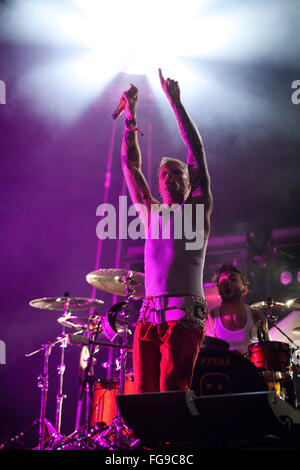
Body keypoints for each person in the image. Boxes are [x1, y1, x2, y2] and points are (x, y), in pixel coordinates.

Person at [120, 69, 213, 393]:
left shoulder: (196, 210)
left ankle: (174, 446)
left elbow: (197, 154)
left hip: (183, 314)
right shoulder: (151, 212)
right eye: (163, 174)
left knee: (172, 394)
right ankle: (148, 446)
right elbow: (131, 165)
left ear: (189, 183)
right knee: (143, 398)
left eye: (176, 173)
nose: (167, 178)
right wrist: (131, 118)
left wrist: (175, 103)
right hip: (149, 315)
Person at [205, 263, 269, 355]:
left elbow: (267, 354)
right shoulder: (210, 320)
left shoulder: (257, 317)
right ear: (219, 291)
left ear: (245, 289)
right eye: (223, 281)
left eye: (233, 279)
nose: (228, 282)